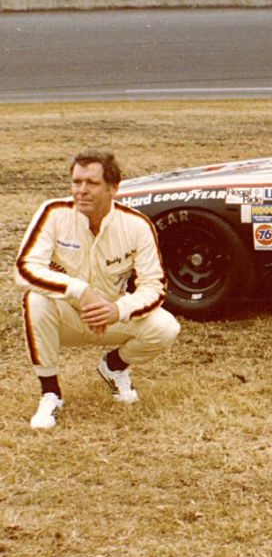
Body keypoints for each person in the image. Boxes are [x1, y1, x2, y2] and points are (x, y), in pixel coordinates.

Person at [15, 150, 180, 429]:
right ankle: (50, 393)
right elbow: (25, 268)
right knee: (36, 300)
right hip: (67, 316)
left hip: (110, 318)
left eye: (91, 183)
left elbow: (154, 286)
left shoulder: (137, 225)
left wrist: (118, 310)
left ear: (113, 188)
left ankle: (114, 367)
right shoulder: (54, 212)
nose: (81, 190)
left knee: (166, 328)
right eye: (76, 182)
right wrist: (78, 290)